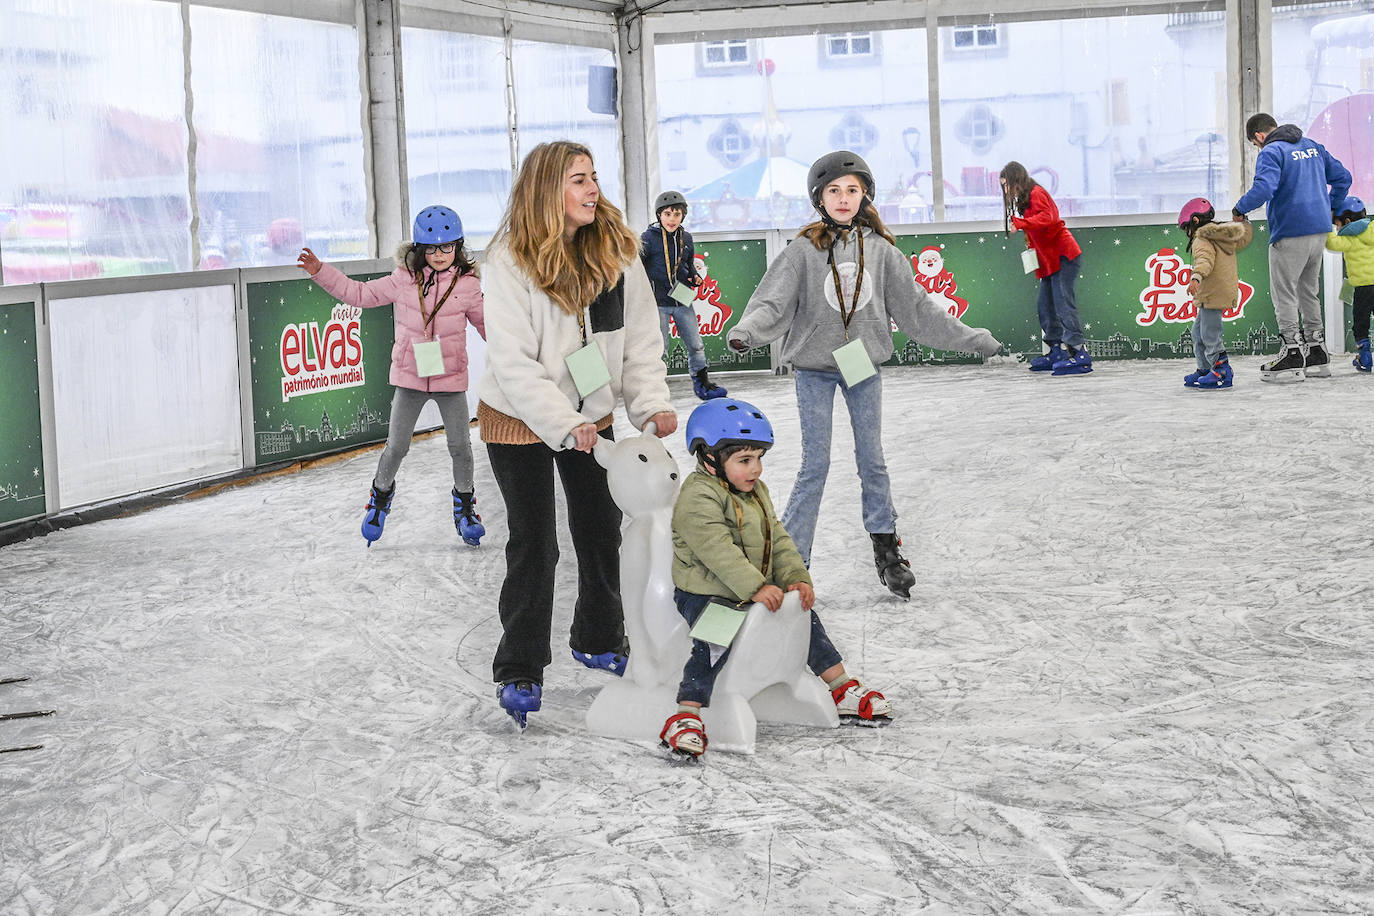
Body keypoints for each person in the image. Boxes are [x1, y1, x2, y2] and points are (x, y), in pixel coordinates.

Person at [727, 150, 1002, 600]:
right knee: (815, 465)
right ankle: (792, 561)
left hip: (863, 369)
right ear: (819, 198)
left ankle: (886, 548)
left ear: (865, 195)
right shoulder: (801, 251)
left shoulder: (882, 253)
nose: (843, 198)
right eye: (833, 191)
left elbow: (918, 311)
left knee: (871, 460)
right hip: (815, 370)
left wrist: (973, 339)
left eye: (851, 190)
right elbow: (771, 303)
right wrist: (747, 333)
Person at [477, 140, 678, 727]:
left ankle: (597, 637)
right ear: (546, 192)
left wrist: (650, 404)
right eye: (578, 180)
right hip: (518, 417)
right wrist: (565, 426)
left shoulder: (617, 253)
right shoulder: (509, 262)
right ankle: (519, 665)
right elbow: (513, 366)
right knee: (534, 543)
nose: (593, 190)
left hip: (594, 413)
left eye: (593, 177)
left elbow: (639, 339)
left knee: (599, 530)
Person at [660, 398, 892, 759]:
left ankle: (841, 687)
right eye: (745, 460)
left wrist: (795, 577)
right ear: (709, 458)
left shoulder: (755, 492)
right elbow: (718, 551)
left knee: (802, 615)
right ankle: (687, 714)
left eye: (759, 458)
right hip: (705, 591)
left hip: (753, 587)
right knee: (714, 638)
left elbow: (778, 538)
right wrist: (755, 587)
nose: (757, 469)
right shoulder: (697, 497)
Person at [298, 205, 486, 547]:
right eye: (431, 248)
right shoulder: (403, 281)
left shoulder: (468, 286)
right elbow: (360, 295)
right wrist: (320, 272)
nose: (440, 255)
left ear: (458, 247)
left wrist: (522, 353)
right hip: (410, 377)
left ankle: (465, 507)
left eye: (447, 247)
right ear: (419, 249)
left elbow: (490, 328)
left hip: (450, 379)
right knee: (397, 445)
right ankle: (379, 499)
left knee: (461, 446)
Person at [1233, 113, 1352, 382]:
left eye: (1255, 144)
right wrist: (1331, 207)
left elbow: (1264, 189)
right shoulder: (1313, 146)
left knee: (1284, 293)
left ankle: (1291, 353)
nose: (1258, 149)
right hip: (1319, 230)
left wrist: (1240, 209)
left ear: (1259, 137)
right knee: (1308, 292)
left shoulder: (1272, 151)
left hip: (1290, 230)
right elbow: (1343, 177)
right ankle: (1317, 351)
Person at [1000, 161, 1091, 376]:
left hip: (1063, 255)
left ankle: (1079, 352)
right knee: (1045, 306)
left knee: (1063, 304)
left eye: (1007, 185)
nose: (1006, 191)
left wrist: (1021, 223)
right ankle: (1057, 350)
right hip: (1049, 261)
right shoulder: (1025, 200)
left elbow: (1048, 218)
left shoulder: (1036, 193)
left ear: (1016, 181)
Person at [640, 190, 727, 401]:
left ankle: (702, 383)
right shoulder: (648, 238)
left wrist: (695, 276)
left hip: (682, 298)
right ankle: (655, 390)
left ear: (683, 216)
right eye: (667, 214)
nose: (672, 219)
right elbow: (639, 269)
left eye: (677, 214)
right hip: (658, 302)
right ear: (659, 215)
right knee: (661, 349)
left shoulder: (685, 237)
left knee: (695, 344)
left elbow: (688, 265)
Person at [1177, 198, 1253, 390]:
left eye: (1187, 227)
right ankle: (1205, 369)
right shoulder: (1222, 234)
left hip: (1212, 293)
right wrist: (1244, 222)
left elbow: (1204, 260)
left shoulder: (1202, 238)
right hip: (1215, 292)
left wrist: (1196, 278)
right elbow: (1243, 236)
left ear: (1195, 221)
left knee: (1210, 334)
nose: (1187, 233)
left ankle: (1221, 371)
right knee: (1197, 332)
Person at [1325, 196, 1373, 372]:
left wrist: (1326, 223)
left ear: (1346, 221)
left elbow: (1331, 243)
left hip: (1363, 287)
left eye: (1337, 224)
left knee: (1361, 323)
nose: (1338, 228)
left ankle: (1365, 358)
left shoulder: (1349, 239)